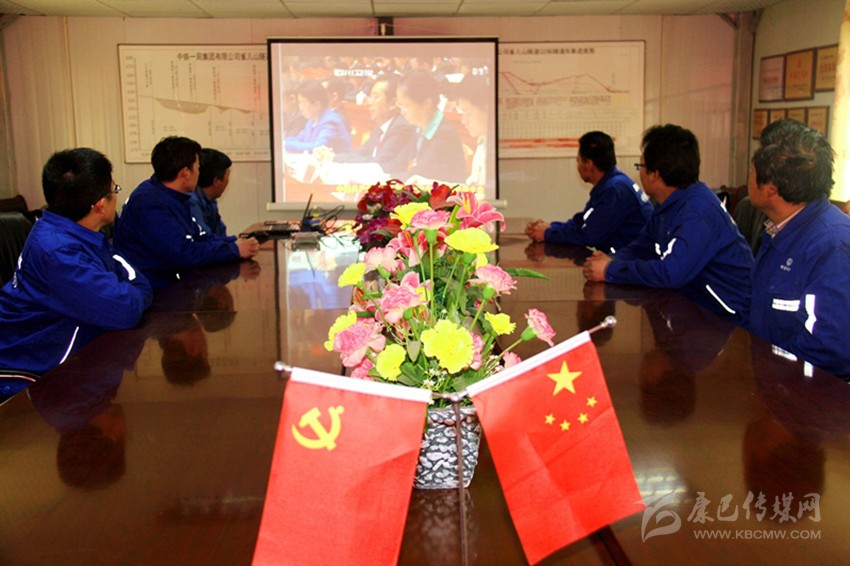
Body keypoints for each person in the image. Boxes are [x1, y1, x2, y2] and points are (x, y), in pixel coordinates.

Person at [0, 148, 152, 377]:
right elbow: (125, 310)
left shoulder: (81, 232)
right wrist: (134, 292)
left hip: (70, 352)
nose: (116, 197)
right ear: (100, 205)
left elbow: (136, 280)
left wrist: (133, 292)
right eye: (114, 190)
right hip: (32, 370)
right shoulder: (57, 252)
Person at [583, 124, 753, 324]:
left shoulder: (698, 212)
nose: (639, 173)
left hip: (726, 319)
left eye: (641, 167)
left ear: (655, 174)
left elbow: (671, 273)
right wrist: (612, 259)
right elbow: (643, 246)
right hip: (691, 307)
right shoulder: (670, 202)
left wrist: (610, 270)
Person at [747, 121, 850, 377]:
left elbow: (827, 348)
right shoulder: (781, 228)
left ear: (771, 188)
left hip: (802, 390)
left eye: (752, 170)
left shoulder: (831, 245)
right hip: (768, 379)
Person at [114, 136, 259, 291]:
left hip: (170, 281)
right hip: (153, 290)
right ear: (186, 173)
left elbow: (199, 236)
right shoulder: (149, 202)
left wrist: (233, 243)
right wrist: (234, 250)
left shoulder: (173, 196)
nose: (199, 173)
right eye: (197, 168)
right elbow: (183, 254)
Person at [526, 130, 652, 254]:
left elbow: (588, 235)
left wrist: (547, 234)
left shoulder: (614, 190)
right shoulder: (612, 184)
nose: (578, 166)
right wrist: (551, 227)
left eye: (578, 161)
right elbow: (583, 222)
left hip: (634, 261)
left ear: (589, 164)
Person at [333, 75, 416, 176]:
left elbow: (378, 163)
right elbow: (361, 152)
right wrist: (333, 156)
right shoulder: (379, 128)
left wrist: (334, 158)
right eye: (370, 97)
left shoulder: (401, 128)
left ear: (393, 104)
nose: (370, 102)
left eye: (376, 97)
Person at [396, 70, 467, 184]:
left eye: (406, 106)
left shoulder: (446, 136)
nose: (402, 112)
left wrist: (390, 178)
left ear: (427, 103)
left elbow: (418, 175)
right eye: (400, 105)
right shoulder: (420, 127)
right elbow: (398, 162)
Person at [284, 79, 352, 154]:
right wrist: (282, 142)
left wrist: (287, 144)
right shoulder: (312, 121)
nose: (300, 107)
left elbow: (318, 147)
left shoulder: (331, 121)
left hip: (341, 160)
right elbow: (299, 138)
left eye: (302, 103)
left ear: (317, 105)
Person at [455, 74, 491, 188]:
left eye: (468, 114)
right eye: (462, 114)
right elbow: (473, 189)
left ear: (488, 110)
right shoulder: (483, 140)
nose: (463, 121)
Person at [190, 147, 232, 238]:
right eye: (228, 176)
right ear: (216, 181)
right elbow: (205, 239)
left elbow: (220, 235)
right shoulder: (192, 203)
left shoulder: (210, 201)